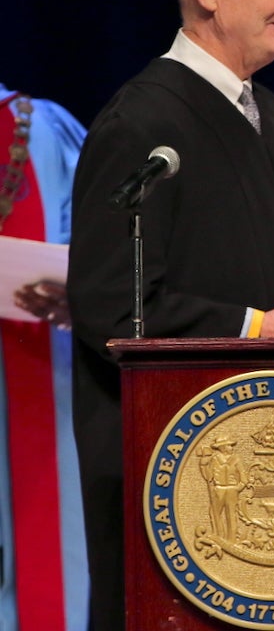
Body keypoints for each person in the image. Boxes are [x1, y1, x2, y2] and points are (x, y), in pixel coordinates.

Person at [68, 0, 274, 629]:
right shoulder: (142, 123)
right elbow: (112, 305)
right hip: (180, 476)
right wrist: (259, 329)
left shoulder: (270, 113)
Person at [0, 83, 89, 630]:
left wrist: (84, 289)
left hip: (33, 358)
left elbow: (100, 243)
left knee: (42, 542)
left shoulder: (37, 128)